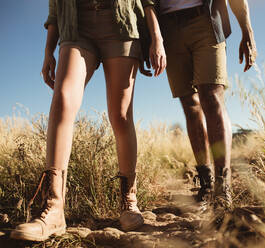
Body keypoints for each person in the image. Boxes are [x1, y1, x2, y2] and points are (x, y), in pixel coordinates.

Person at [10, 0, 166, 241]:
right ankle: (54, 208)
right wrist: (48, 51)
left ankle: (129, 201)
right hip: (76, 27)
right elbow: (54, 10)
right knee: (62, 100)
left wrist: (157, 37)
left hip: (121, 25)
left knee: (121, 115)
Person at [149, 0, 257, 210]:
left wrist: (247, 30)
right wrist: (150, 39)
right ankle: (206, 183)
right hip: (168, 29)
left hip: (206, 21)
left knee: (212, 98)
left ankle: (222, 186)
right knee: (190, 105)